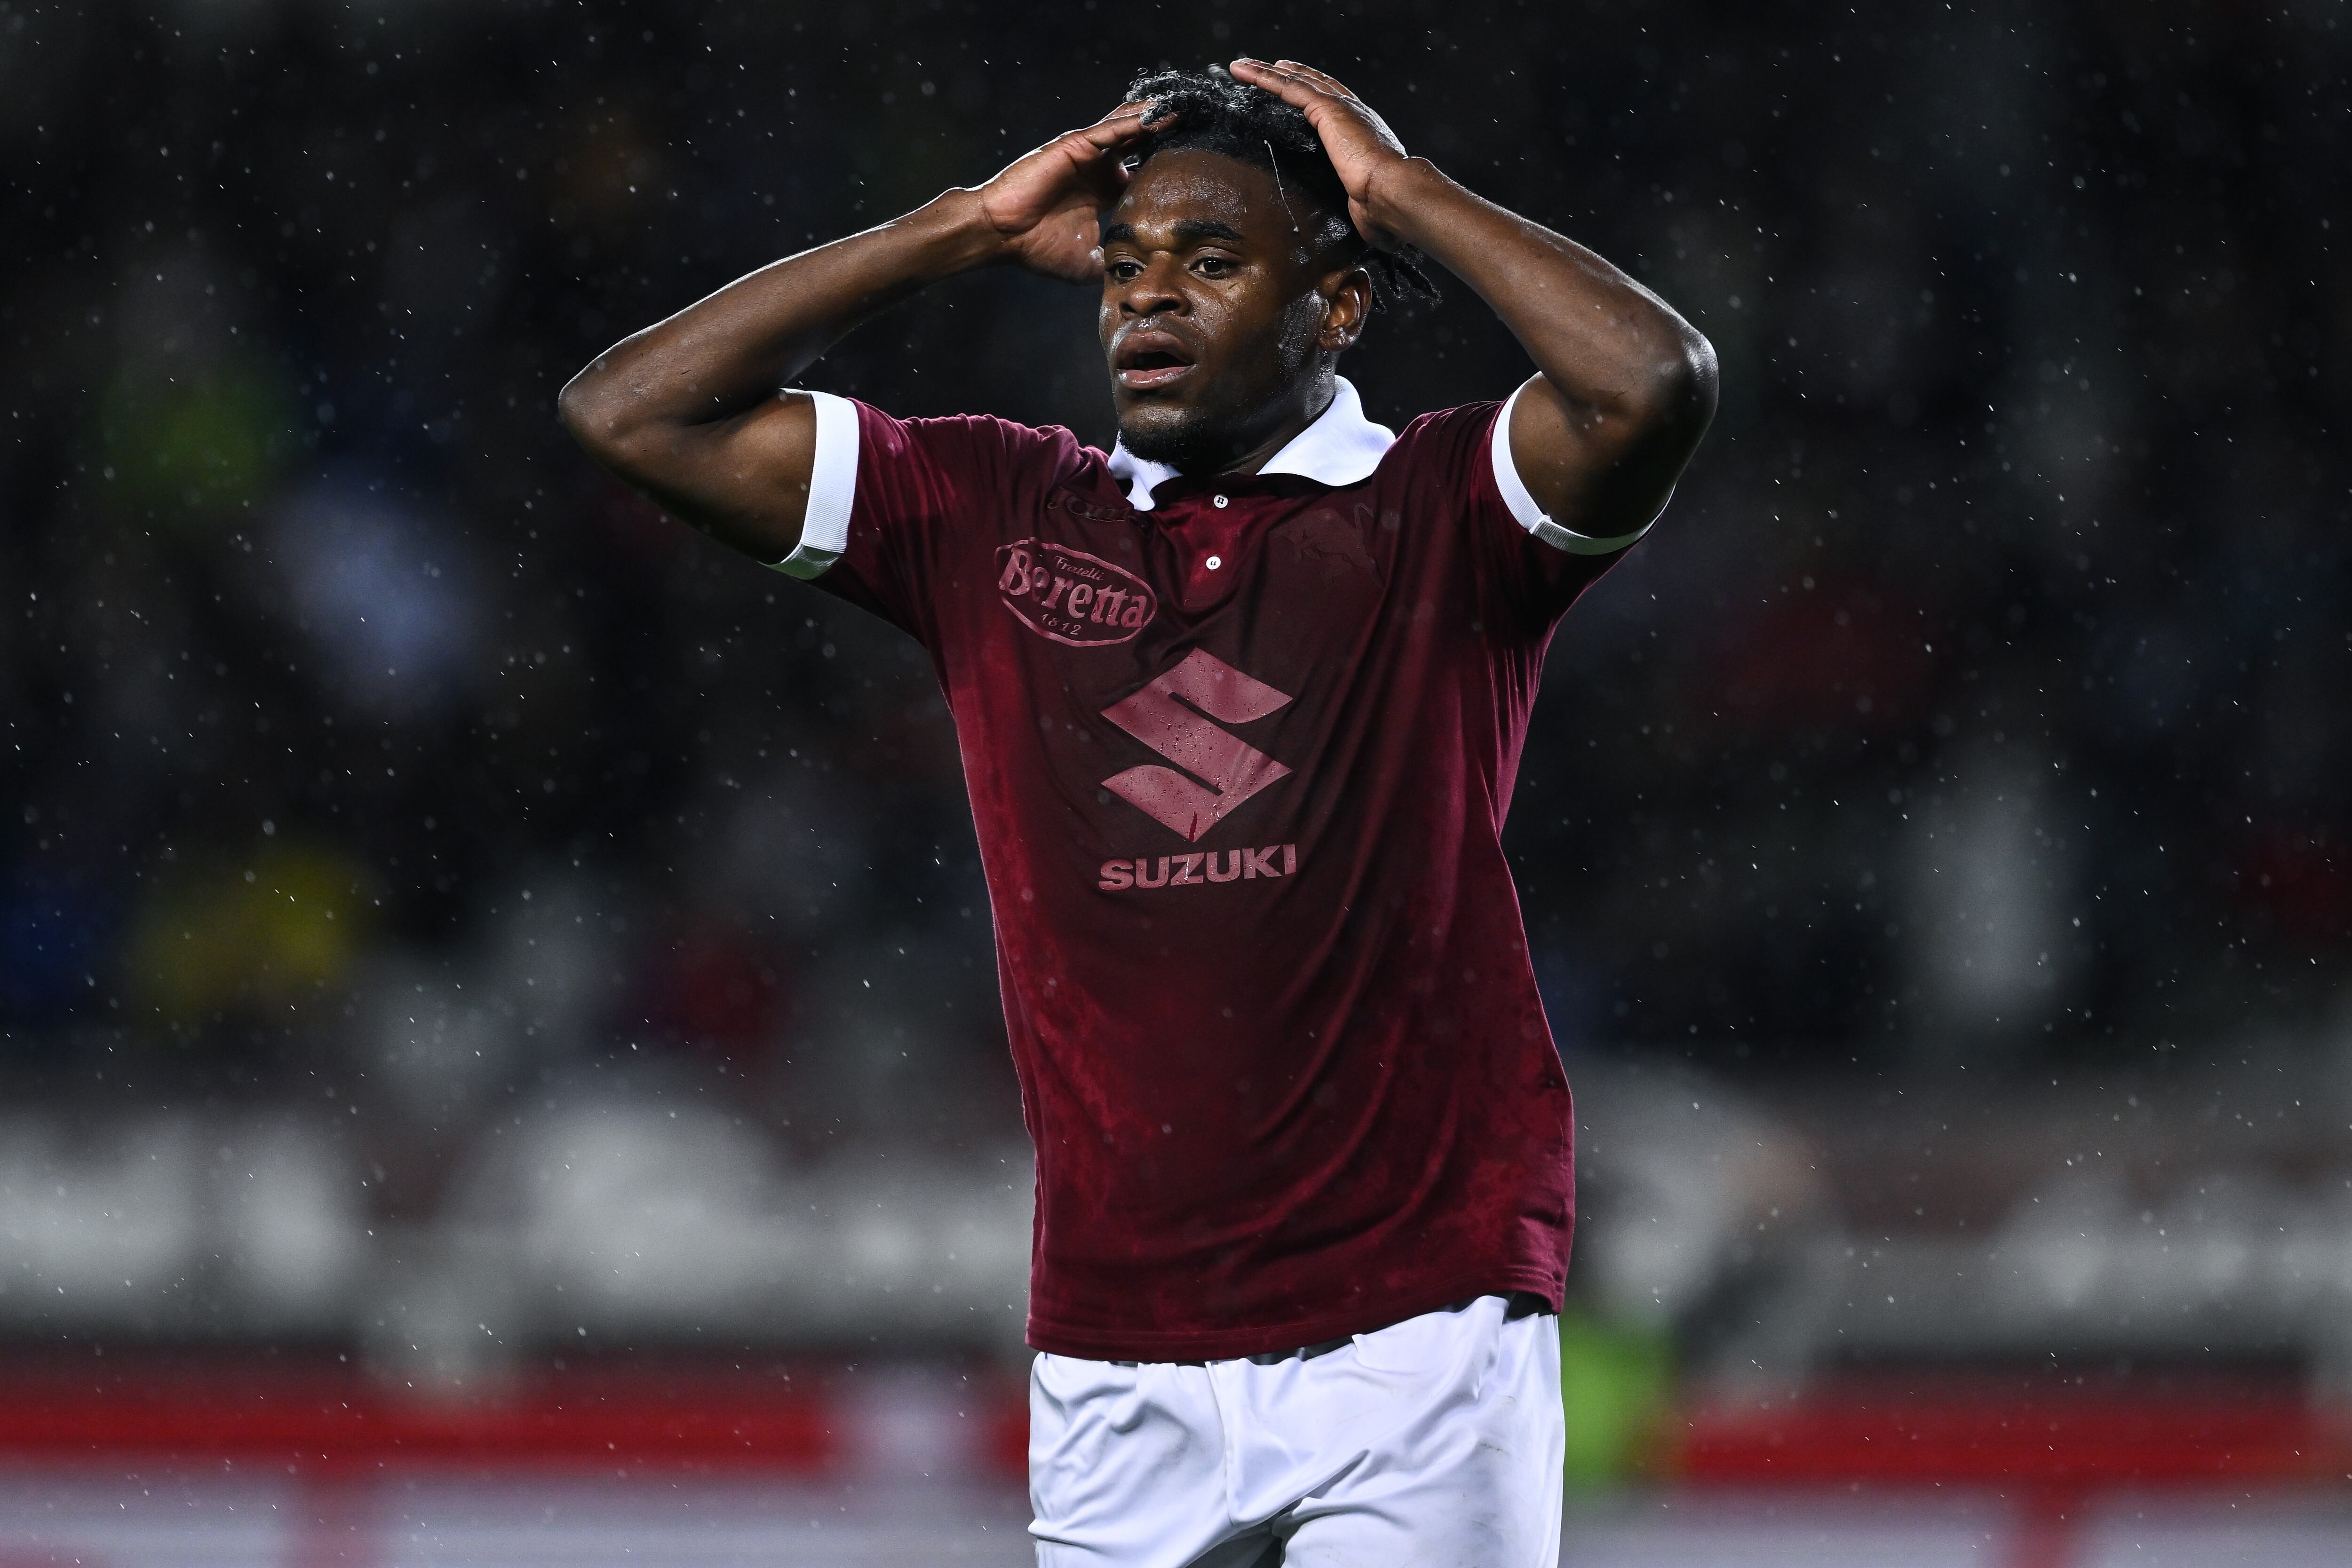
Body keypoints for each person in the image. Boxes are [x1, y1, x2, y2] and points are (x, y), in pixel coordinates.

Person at [561, 57, 1715, 1568]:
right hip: (1116, 1351)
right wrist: (960, 227)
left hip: (1418, 1329)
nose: (1147, 300)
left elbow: (1657, 379)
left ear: (1341, 305)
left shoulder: (1441, 512)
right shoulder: (994, 515)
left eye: (1215, 262)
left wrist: (1403, 193)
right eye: (1125, 266)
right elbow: (628, 410)